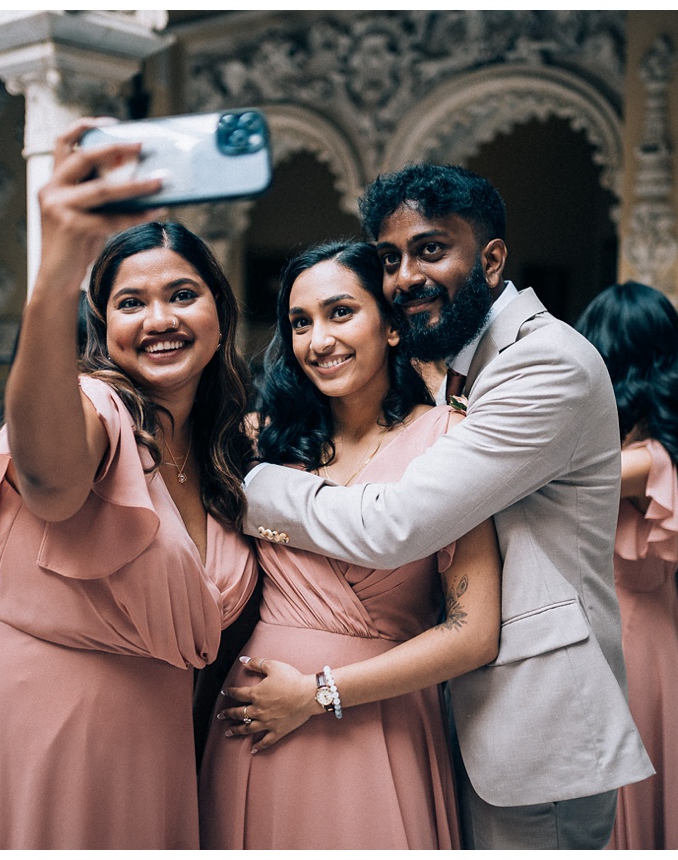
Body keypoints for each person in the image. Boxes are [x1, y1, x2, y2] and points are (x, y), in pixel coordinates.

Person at [0, 120, 258, 849]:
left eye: (183, 294)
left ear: (220, 316)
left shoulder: (231, 452)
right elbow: (48, 479)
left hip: (133, 753)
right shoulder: (97, 408)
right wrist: (56, 274)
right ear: (103, 327)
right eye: (130, 303)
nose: (158, 319)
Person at [239, 163, 653, 849]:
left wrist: (244, 482)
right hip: (455, 718)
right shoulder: (470, 366)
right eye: (391, 259)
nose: (405, 278)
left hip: (534, 724)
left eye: (431, 249)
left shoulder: (542, 364)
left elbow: (393, 526)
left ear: (491, 258)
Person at [199, 241, 502, 849]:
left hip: (378, 718)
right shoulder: (263, 440)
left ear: (392, 326)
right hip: (253, 722)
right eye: (300, 322)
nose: (318, 341)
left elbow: (475, 632)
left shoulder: (449, 440)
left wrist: (316, 694)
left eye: (341, 313)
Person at [576, 281, 678, 850]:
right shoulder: (662, 447)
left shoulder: (639, 460)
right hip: (654, 628)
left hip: (622, 633)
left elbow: (551, 479)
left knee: (615, 783)